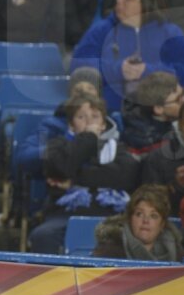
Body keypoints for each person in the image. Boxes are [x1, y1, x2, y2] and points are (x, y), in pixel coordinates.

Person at [28, 92, 140, 254]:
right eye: (81, 117)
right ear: (71, 125)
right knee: (43, 235)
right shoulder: (57, 146)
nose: (89, 122)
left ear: (103, 124)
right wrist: (88, 138)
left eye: (95, 117)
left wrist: (75, 179)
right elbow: (61, 168)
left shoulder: (119, 149)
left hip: (111, 215)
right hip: (65, 215)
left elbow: (124, 177)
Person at [71, 0, 184, 114]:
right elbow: (79, 67)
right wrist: (118, 69)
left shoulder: (169, 33)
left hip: (159, 111)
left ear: (146, 3)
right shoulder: (102, 30)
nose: (119, 1)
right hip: (109, 110)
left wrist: (149, 71)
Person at [91, 185, 184, 262]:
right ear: (129, 219)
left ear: (162, 224)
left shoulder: (176, 252)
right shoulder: (109, 250)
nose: (146, 221)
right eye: (139, 214)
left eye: (153, 216)